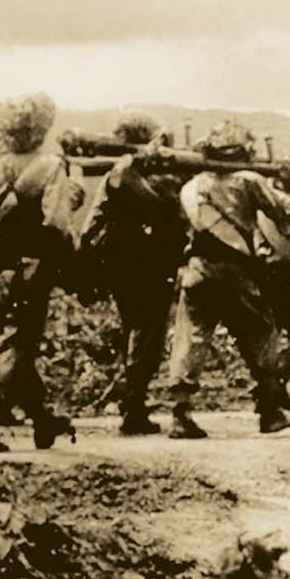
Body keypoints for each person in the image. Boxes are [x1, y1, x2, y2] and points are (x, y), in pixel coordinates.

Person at [161, 120, 290, 438]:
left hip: (198, 269)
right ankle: (270, 411)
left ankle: (180, 414)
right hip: (236, 271)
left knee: (191, 336)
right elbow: (289, 210)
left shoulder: (191, 187)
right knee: (261, 335)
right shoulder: (248, 181)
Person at [0, 92, 84, 452]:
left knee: (10, 339)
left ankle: (41, 418)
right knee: (16, 343)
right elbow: (57, 224)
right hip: (29, 269)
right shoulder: (50, 169)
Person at [79, 109, 191, 434]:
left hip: (121, 263)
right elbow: (168, 210)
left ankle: (133, 403)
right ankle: (134, 406)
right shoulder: (133, 174)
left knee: (135, 330)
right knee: (147, 334)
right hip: (147, 263)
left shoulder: (116, 173)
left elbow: (92, 222)